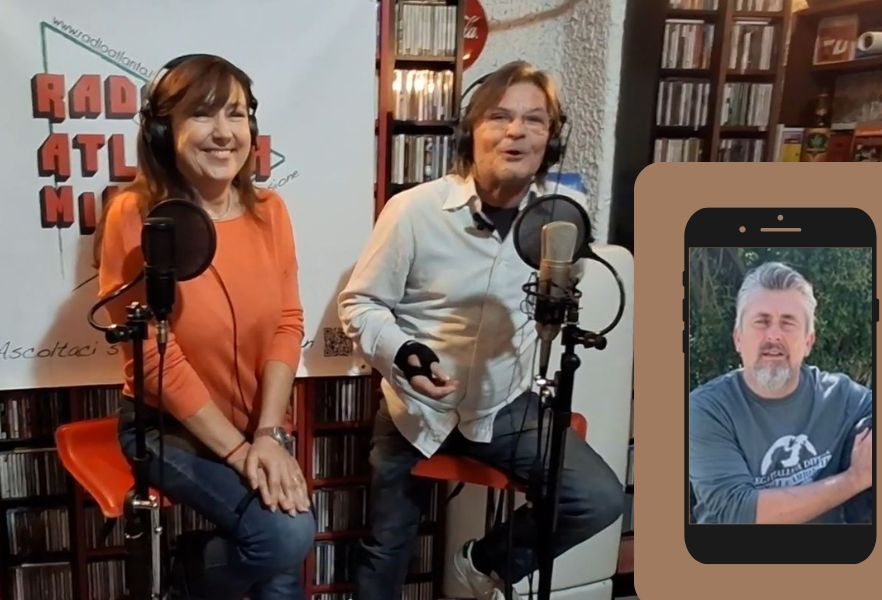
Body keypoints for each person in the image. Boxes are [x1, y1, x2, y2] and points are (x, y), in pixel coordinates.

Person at [338, 61, 624, 600]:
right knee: (387, 545)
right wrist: (405, 355)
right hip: (413, 409)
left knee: (597, 499)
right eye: (500, 116)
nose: (517, 131)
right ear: (470, 132)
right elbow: (361, 303)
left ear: (552, 140)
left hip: (504, 405)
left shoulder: (564, 216)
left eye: (534, 120)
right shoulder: (413, 211)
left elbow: (562, 297)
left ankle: (484, 561)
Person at [95, 54, 314, 599]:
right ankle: (185, 577)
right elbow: (152, 356)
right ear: (163, 130)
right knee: (285, 535)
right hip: (166, 429)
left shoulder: (271, 210)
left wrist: (268, 434)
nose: (223, 133)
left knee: (285, 531)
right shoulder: (136, 215)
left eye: (235, 115)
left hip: (257, 423)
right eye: (202, 114)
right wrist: (240, 454)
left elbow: (288, 322)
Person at [689, 261, 873, 524]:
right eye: (761, 322)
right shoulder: (706, 410)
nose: (773, 335)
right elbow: (739, 512)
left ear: (808, 341)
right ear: (738, 338)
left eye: (788, 323)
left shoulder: (843, 398)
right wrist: (854, 479)